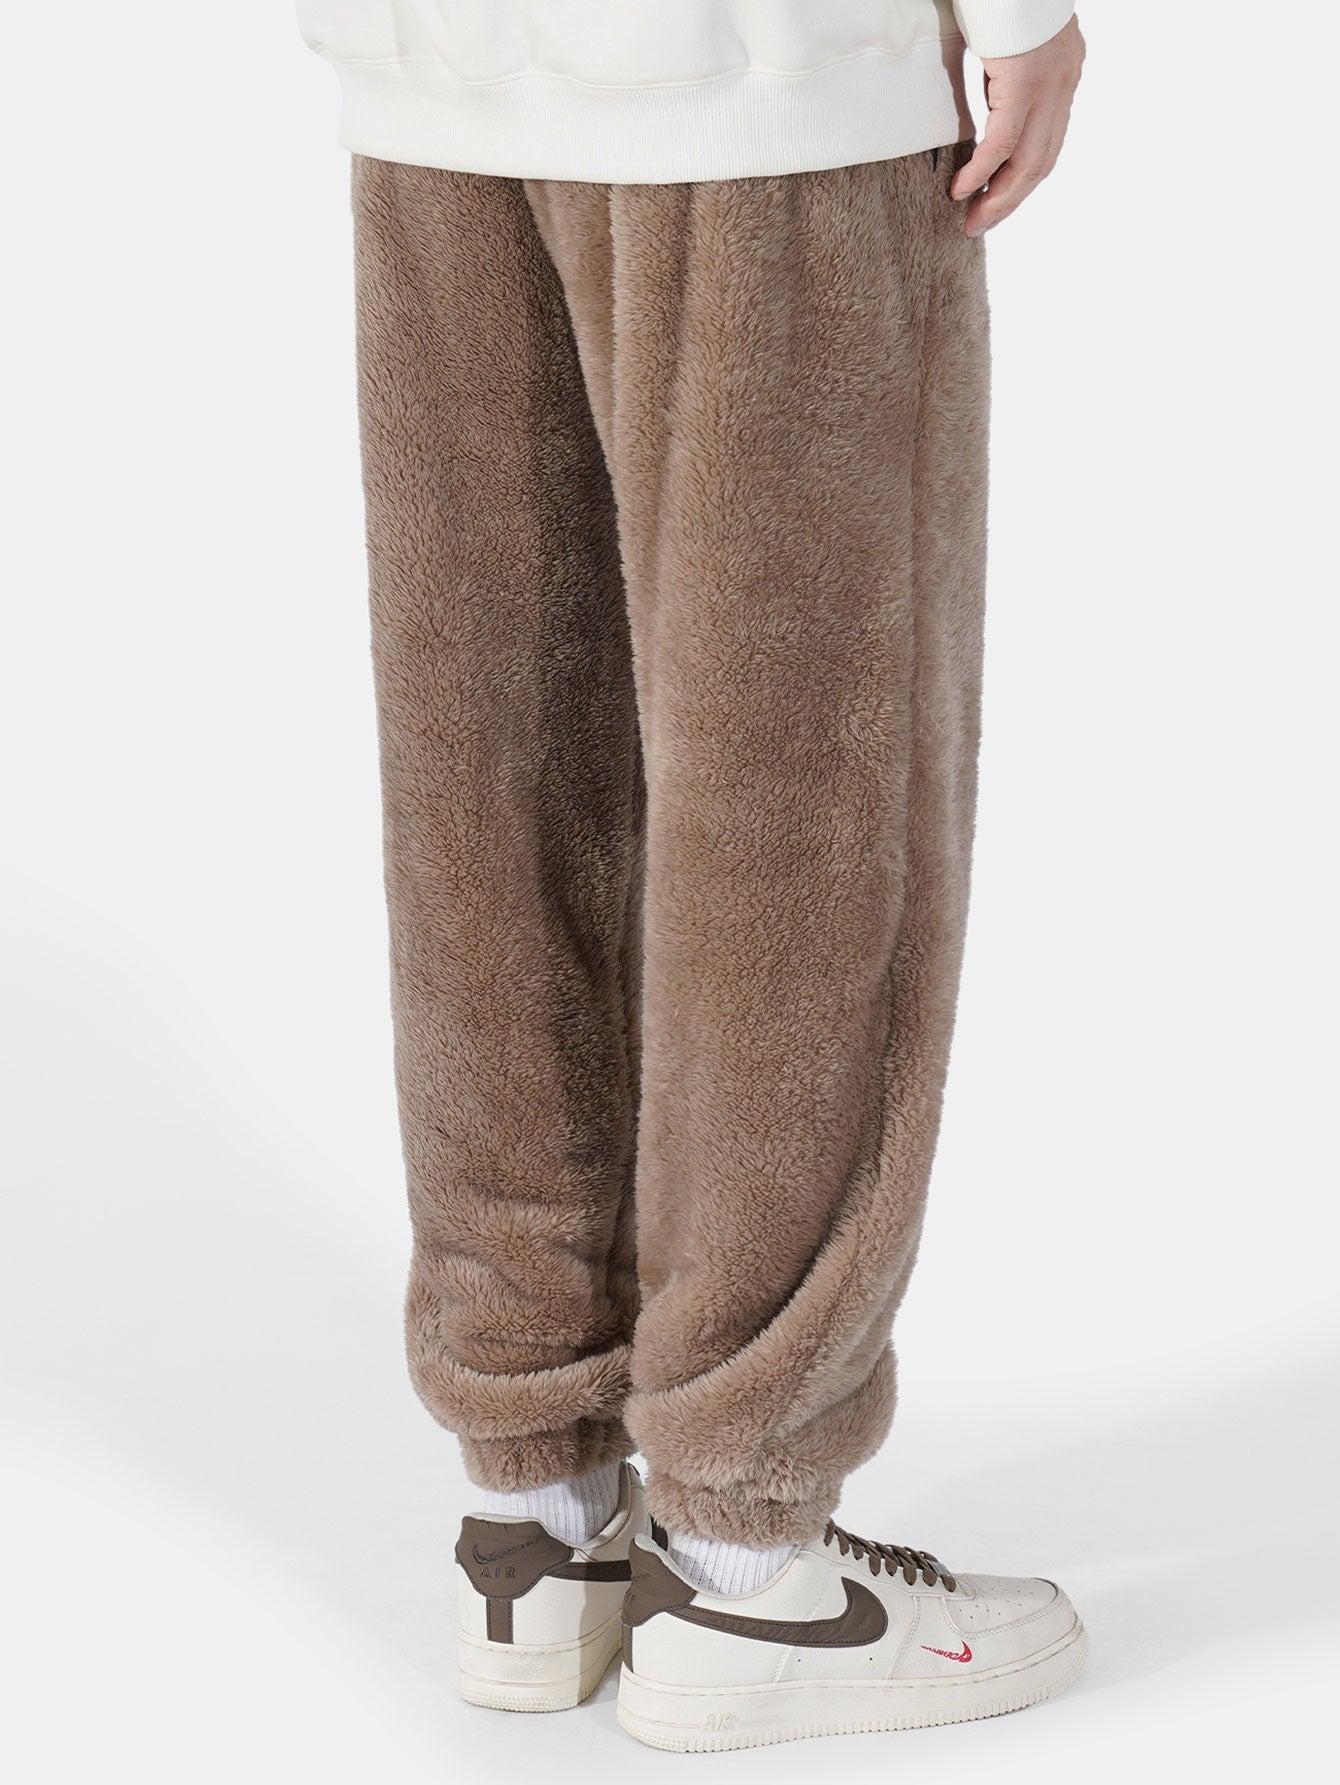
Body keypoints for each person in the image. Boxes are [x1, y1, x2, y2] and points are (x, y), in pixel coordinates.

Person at [298, 0, 1086, 1752]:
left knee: (493, 777)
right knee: (802, 812)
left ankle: (538, 1517)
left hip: (433, 77)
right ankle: (747, 1562)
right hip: (763, 76)